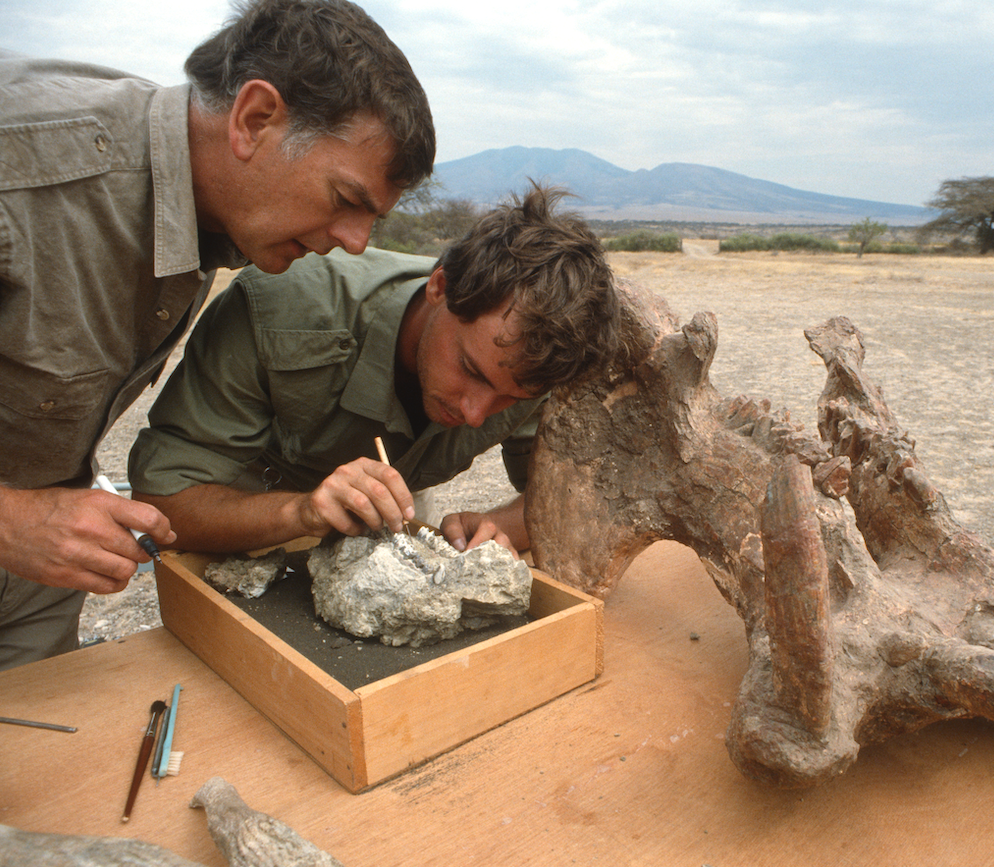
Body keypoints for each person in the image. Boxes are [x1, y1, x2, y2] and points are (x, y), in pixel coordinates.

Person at [0, 0, 437, 669]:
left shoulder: (217, 210)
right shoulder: (26, 173)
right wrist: (13, 522)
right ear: (255, 119)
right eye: (348, 200)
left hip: (32, 585)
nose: (356, 244)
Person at [127, 185, 620, 561]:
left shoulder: (533, 363)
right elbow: (163, 504)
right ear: (440, 287)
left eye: (508, 400)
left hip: (393, 521)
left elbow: (569, 494)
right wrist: (301, 512)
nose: (475, 415)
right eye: (470, 371)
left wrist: (502, 525)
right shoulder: (282, 307)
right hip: (248, 522)